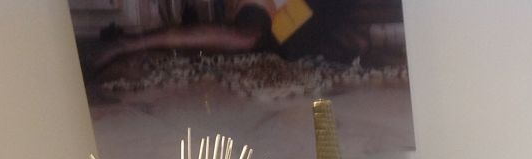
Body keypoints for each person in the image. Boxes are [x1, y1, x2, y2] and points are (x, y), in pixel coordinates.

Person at [86, 0, 401, 74]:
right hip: (271, 6)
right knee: (247, 37)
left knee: (354, 42)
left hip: (306, 16)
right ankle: (126, 44)